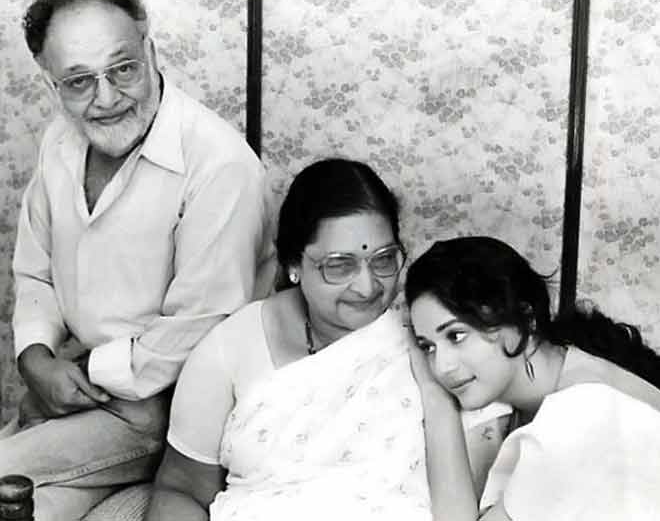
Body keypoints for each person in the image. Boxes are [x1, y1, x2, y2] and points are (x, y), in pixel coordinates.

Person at [0, 0, 275, 519]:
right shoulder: (60, 139)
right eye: (79, 81)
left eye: (123, 68)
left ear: (149, 49)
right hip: (83, 390)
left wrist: (77, 373)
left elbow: (201, 325)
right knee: (25, 510)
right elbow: (34, 270)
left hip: (169, 408)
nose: (106, 98)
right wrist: (35, 358)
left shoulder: (219, 165)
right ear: (49, 82)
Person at [146, 159, 511, 521]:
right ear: (293, 264)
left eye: (384, 261)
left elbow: (475, 487)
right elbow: (182, 488)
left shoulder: (437, 341)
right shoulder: (230, 348)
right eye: (339, 265)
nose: (368, 287)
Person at [405, 236, 660, 521]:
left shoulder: (581, 412)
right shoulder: (565, 379)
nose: (442, 366)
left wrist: (435, 399)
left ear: (524, 317)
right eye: (428, 347)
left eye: (456, 335)